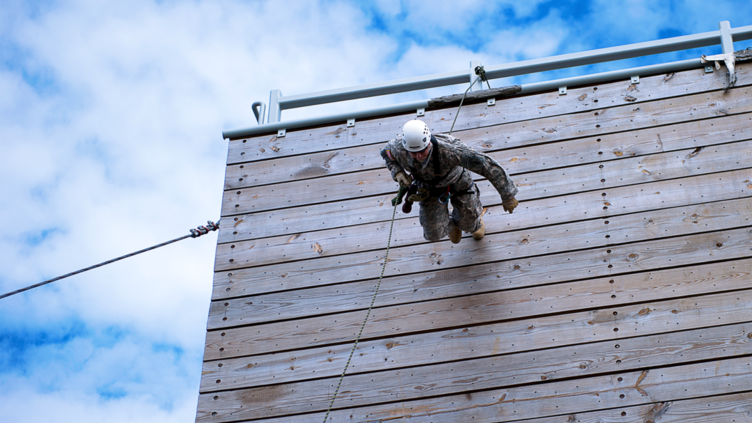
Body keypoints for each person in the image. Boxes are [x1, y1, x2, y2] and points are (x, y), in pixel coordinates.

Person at [380, 119, 518, 243]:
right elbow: (387, 155)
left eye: (422, 150)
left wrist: (507, 195)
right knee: (433, 232)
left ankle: (475, 220)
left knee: (469, 223)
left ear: (428, 143)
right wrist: (398, 172)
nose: (419, 156)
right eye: (413, 152)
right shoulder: (397, 147)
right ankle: (452, 227)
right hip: (428, 188)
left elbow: (486, 164)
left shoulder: (450, 150)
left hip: (458, 182)